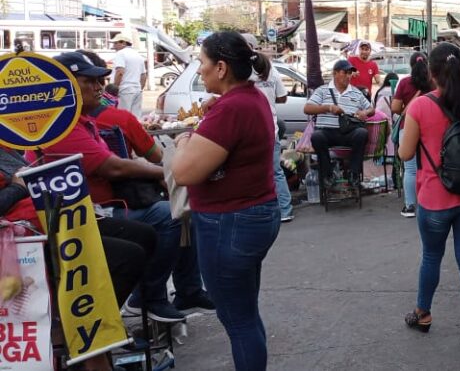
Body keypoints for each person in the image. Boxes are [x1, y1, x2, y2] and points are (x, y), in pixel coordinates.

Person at [25, 51, 210, 324]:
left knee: (173, 217)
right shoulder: (60, 127)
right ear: (67, 86)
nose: (100, 88)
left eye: (101, 81)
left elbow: (131, 162)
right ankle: (140, 303)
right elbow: (117, 166)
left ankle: (175, 293)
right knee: (167, 216)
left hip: (105, 207)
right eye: (91, 81)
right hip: (78, 219)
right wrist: (169, 172)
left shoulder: (86, 120)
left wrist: (165, 172)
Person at [171, 31, 280, 371]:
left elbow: (185, 173)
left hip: (230, 223)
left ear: (220, 68)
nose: (199, 69)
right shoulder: (249, 98)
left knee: (238, 320)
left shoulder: (233, 108)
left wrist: (184, 142)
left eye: (201, 63)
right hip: (251, 216)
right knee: (245, 314)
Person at [2, 147, 157, 371]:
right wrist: (18, 186)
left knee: (144, 236)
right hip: (23, 243)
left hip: (50, 219)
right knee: (128, 257)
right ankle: (87, 337)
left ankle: (95, 329)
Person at [398, 42, 460, 353]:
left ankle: (423, 313)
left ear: (431, 73)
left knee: (432, 257)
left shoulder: (419, 107)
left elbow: (404, 153)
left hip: (434, 200)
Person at [304, 59, 375, 186]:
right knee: (317, 137)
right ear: (335, 73)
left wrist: (365, 112)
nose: (348, 76)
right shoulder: (322, 90)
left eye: (350, 73)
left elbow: (371, 109)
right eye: (345, 72)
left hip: (348, 132)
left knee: (362, 133)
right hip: (327, 132)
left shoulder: (356, 92)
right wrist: (328, 108)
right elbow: (307, 109)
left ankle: (354, 173)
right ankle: (327, 174)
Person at [391, 53, 435, 218]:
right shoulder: (433, 83)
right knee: (429, 165)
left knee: (410, 169)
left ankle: (410, 206)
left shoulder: (404, 83)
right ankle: (428, 202)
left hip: (407, 127)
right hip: (430, 128)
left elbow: (395, 108)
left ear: (411, 65)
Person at [251, 64, 295, 223]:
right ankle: (285, 209)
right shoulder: (271, 70)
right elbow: (283, 97)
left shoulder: (241, 70)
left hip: (253, 129)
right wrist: (268, 98)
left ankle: (266, 209)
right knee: (275, 171)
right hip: (271, 128)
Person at [111, 32, 147, 117]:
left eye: (116, 43)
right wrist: (140, 89)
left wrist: (115, 88)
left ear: (123, 43)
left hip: (125, 89)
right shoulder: (138, 55)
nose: (114, 46)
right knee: (135, 117)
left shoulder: (121, 53)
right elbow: (143, 76)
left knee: (122, 117)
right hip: (137, 90)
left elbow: (120, 72)